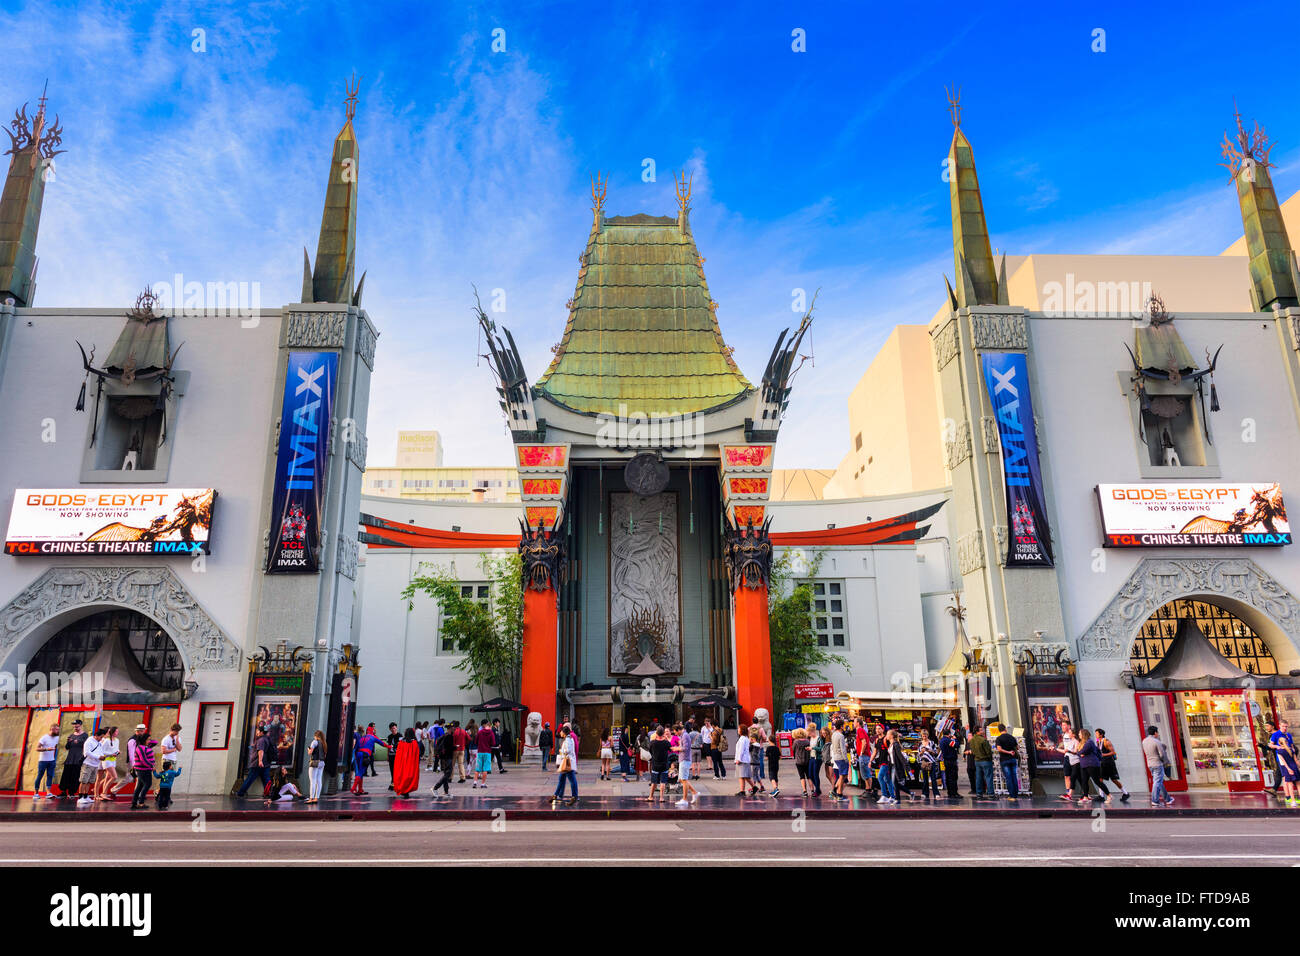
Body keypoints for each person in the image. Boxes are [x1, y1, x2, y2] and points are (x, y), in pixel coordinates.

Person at [1074, 728, 1110, 804]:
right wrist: (1080, 753)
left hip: (1092, 764)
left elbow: (1082, 751)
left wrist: (1081, 753)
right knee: (1084, 781)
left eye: (1080, 733)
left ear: (1083, 734)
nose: (1079, 735)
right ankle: (1086, 797)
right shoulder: (1081, 743)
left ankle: (1109, 795)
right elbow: (1078, 753)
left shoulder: (1089, 742)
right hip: (1084, 765)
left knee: (1097, 781)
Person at [1142, 725, 1175, 806]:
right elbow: (1162, 754)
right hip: (1158, 764)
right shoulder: (1157, 741)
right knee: (1157, 782)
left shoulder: (1144, 741)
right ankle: (1155, 800)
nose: (1158, 734)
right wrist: (1165, 762)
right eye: (1158, 732)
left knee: (1159, 782)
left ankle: (1168, 799)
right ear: (1155, 733)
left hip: (1150, 764)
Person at [1094, 728, 1130, 802]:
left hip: (1109, 763)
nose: (1096, 735)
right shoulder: (1098, 741)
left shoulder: (1106, 742)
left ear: (1101, 734)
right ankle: (1101, 795)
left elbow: (1113, 752)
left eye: (1097, 733)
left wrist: (1104, 754)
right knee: (1100, 779)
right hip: (1102, 763)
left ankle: (1125, 793)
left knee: (1114, 780)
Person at [1270, 719, 1299, 808]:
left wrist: (1293, 751)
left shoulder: (1288, 735)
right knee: (1285, 778)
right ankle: (1288, 797)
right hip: (1282, 759)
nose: (1285, 728)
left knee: (1295, 780)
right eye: (1283, 726)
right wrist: (1277, 747)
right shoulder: (1275, 734)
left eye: (1286, 726)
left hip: (1290, 757)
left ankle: (1293, 797)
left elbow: (1292, 745)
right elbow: (1270, 745)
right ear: (1279, 726)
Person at [237, 726, 273, 798]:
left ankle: (241, 792)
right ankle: (269, 793)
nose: (256, 732)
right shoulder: (266, 739)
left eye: (258, 731)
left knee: (250, 778)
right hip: (266, 763)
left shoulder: (261, 740)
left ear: (261, 732)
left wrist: (260, 761)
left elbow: (261, 751)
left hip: (257, 764)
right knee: (266, 779)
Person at [58, 719, 88, 800]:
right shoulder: (71, 735)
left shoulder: (85, 735)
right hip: (70, 758)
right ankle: (63, 791)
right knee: (66, 775)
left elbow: (85, 745)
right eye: (74, 726)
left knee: (75, 776)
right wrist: (68, 742)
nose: (75, 727)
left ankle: (72, 792)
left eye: (77, 726)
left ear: (80, 725)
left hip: (78, 759)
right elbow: (67, 747)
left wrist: (76, 741)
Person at [76, 727, 105, 807]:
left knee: (89, 781)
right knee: (84, 780)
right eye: (101, 737)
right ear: (96, 735)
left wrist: (104, 756)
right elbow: (87, 752)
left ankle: (86, 796)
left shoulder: (99, 743)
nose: (101, 739)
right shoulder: (89, 741)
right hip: (88, 764)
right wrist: (98, 757)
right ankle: (80, 797)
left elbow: (101, 751)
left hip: (95, 765)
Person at [890, 729, 920, 803]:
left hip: (896, 766)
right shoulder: (891, 744)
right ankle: (909, 793)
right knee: (895, 783)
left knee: (894, 783)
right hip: (892, 765)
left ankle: (898, 799)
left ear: (891, 736)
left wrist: (907, 767)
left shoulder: (896, 745)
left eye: (888, 734)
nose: (886, 735)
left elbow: (901, 757)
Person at [551, 725, 578, 806]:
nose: (560, 733)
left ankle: (574, 796)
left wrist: (561, 750)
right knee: (561, 779)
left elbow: (568, 751)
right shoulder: (567, 739)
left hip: (568, 763)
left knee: (572, 780)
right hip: (565, 763)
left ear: (564, 732)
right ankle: (555, 795)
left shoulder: (568, 740)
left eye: (561, 731)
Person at [130, 731, 157, 810]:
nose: (150, 741)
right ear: (144, 740)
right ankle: (141, 802)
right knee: (147, 784)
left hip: (145, 769)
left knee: (139, 786)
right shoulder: (140, 748)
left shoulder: (146, 746)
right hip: (143, 770)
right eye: (148, 739)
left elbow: (155, 742)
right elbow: (143, 760)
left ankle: (134, 803)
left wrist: (147, 738)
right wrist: (151, 766)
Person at [33, 720, 60, 799]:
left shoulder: (57, 738)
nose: (58, 731)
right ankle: (36, 793)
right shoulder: (44, 738)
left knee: (50, 776)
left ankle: (48, 793)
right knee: (40, 776)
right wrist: (47, 749)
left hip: (51, 760)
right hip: (43, 761)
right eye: (57, 730)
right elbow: (37, 748)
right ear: (52, 729)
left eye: (58, 730)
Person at [674, 724, 699, 806]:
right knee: (682, 779)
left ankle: (685, 799)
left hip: (685, 759)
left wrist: (676, 748)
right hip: (683, 759)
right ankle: (694, 792)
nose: (675, 734)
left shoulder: (685, 736)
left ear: (678, 730)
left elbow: (685, 748)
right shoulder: (683, 735)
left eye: (675, 732)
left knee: (684, 779)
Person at [96, 727, 122, 802]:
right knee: (114, 776)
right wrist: (111, 754)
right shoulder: (107, 741)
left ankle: (104, 793)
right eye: (116, 731)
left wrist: (117, 752)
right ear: (112, 732)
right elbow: (102, 751)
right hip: (107, 760)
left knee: (108, 777)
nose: (117, 733)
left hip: (113, 760)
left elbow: (116, 749)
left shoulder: (117, 740)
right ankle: (103, 792)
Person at [647, 725, 673, 802]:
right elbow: (670, 749)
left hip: (655, 764)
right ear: (663, 733)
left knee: (654, 782)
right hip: (664, 764)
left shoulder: (652, 743)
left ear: (656, 733)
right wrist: (666, 738)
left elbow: (650, 751)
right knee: (663, 782)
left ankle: (651, 796)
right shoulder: (666, 743)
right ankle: (661, 798)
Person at [393, 727, 421, 796]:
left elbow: (398, 754)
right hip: (411, 765)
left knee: (402, 777)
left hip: (401, 764)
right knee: (409, 777)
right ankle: (406, 790)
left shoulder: (401, 743)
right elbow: (417, 755)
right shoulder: (414, 743)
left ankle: (403, 790)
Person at [351, 725, 379, 795]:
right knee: (360, 772)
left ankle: (358, 789)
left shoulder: (358, 735)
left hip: (357, 754)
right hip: (363, 755)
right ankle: (356, 788)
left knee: (359, 772)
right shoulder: (362, 736)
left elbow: (354, 745)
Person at [994, 726, 1020, 798]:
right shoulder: (1012, 737)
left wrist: (1008, 752)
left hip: (1004, 759)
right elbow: (1017, 747)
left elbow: (999, 749)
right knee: (1014, 776)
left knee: (1008, 777)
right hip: (1013, 759)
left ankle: (1012, 795)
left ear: (999, 731)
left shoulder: (999, 739)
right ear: (1005, 729)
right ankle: (1016, 794)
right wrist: (1011, 751)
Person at [968, 726, 994, 799]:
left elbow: (972, 751)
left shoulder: (972, 740)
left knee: (978, 778)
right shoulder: (983, 740)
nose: (982, 731)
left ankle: (979, 794)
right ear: (977, 732)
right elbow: (988, 751)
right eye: (981, 730)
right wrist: (990, 758)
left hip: (977, 761)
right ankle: (991, 794)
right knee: (988, 777)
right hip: (985, 760)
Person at [430, 727, 455, 798]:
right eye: (453, 728)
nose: (454, 730)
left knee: (446, 774)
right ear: (450, 729)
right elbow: (449, 748)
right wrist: (455, 747)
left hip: (444, 757)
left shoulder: (444, 736)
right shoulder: (449, 737)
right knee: (448, 774)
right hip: (448, 757)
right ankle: (435, 787)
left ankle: (446, 792)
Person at [917, 729, 940, 799]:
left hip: (931, 761)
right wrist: (922, 752)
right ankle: (925, 793)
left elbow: (935, 753)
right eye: (923, 736)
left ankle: (936, 793)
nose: (924, 737)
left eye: (925, 736)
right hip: (923, 762)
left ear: (928, 735)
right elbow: (918, 754)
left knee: (933, 778)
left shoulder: (931, 743)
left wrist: (929, 750)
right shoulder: (920, 743)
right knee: (925, 779)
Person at [829, 719, 849, 801]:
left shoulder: (833, 734)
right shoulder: (841, 736)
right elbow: (843, 749)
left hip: (836, 757)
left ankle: (835, 791)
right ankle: (839, 794)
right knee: (842, 776)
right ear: (841, 726)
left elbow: (833, 746)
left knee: (842, 776)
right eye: (843, 725)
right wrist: (846, 759)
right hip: (841, 757)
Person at [1059, 724, 1080, 801]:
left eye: (1064, 725)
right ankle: (1069, 794)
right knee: (1075, 777)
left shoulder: (1076, 741)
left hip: (1076, 761)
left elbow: (1075, 752)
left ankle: (1070, 794)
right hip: (1070, 760)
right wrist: (1055, 749)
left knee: (1075, 777)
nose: (1069, 734)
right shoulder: (1069, 740)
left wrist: (1069, 751)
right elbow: (1065, 750)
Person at [473, 719, 495, 788]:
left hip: (480, 752)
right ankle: (483, 784)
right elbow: (493, 743)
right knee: (485, 769)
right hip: (487, 752)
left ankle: (475, 783)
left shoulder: (480, 732)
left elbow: (475, 741)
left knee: (478, 768)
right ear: (488, 724)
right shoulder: (491, 732)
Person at [940, 727, 961, 799]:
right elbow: (956, 745)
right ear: (949, 734)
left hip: (946, 760)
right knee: (953, 777)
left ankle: (950, 792)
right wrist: (955, 739)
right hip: (951, 760)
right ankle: (954, 793)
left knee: (948, 777)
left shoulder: (942, 740)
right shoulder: (947, 740)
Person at [306, 730, 326, 803]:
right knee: (319, 780)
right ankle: (316, 798)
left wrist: (308, 749)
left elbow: (310, 752)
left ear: (316, 736)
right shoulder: (324, 743)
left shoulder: (315, 742)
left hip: (315, 762)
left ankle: (311, 798)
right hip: (322, 762)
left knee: (313, 780)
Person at [733, 723, 752, 796]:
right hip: (746, 759)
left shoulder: (742, 739)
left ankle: (742, 791)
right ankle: (753, 787)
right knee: (745, 776)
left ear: (742, 730)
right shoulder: (746, 738)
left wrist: (738, 759)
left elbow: (741, 750)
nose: (738, 730)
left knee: (741, 776)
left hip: (742, 760)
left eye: (739, 729)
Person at [806, 722, 823, 797]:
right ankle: (818, 789)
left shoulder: (818, 738)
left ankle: (817, 791)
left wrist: (812, 748)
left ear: (812, 731)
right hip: (811, 758)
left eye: (809, 733)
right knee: (810, 775)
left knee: (815, 774)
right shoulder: (811, 738)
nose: (808, 734)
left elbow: (821, 748)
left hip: (817, 758)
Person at [385, 722, 401, 791]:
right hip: (391, 755)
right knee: (392, 770)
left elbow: (401, 746)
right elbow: (388, 746)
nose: (393, 730)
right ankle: (393, 782)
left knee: (397, 770)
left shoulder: (400, 735)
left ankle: (396, 783)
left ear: (396, 728)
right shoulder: (389, 736)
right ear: (390, 729)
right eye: (392, 729)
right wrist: (387, 755)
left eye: (394, 728)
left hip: (398, 755)